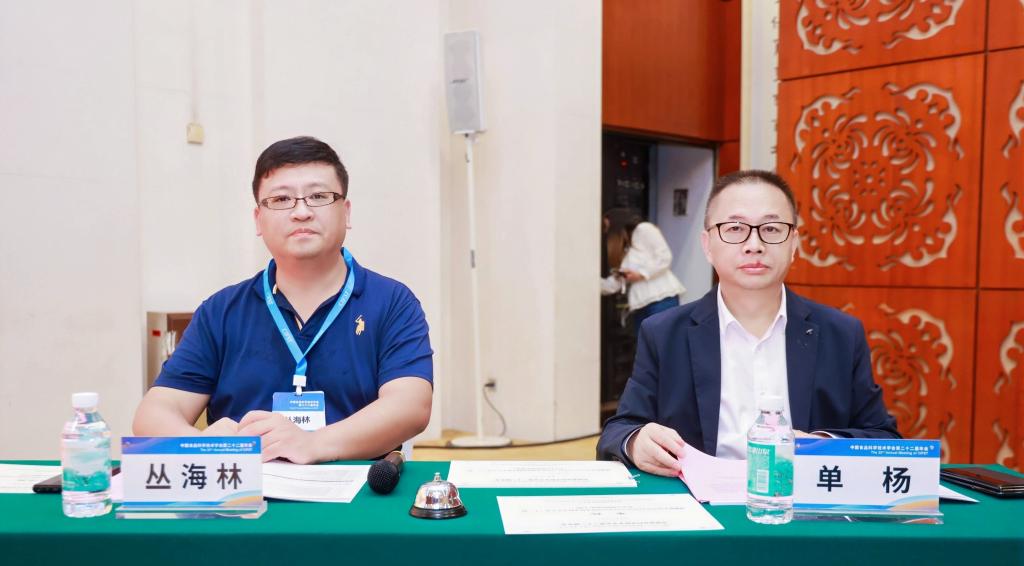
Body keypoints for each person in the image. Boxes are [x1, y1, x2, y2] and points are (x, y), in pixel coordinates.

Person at [133, 136, 433, 464]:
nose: (301, 212)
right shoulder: (221, 311)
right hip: (247, 488)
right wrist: (208, 448)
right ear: (258, 219)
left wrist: (312, 444)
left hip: (357, 487)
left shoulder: (392, 302)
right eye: (281, 199)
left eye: (318, 196)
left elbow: (411, 406)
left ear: (346, 212)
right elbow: (154, 413)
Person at [597, 170, 899, 477]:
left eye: (771, 229)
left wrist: (820, 446)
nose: (754, 244)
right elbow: (618, 431)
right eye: (735, 228)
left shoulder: (841, 334)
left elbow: (883, 437)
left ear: (793, 244)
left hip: (799, 500)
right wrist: (636, 442)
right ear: (707, 245)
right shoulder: (663, 334)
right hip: (699, 501)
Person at [601, 208, 686, 331]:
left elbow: (664, 257)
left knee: (662, 341)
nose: (606, 231)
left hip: (662, 300)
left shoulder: (644, 229)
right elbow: (614, 284)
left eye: (607, 226)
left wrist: (640, 274)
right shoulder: (625, 250)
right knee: (647, 342)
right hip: (641, 306)